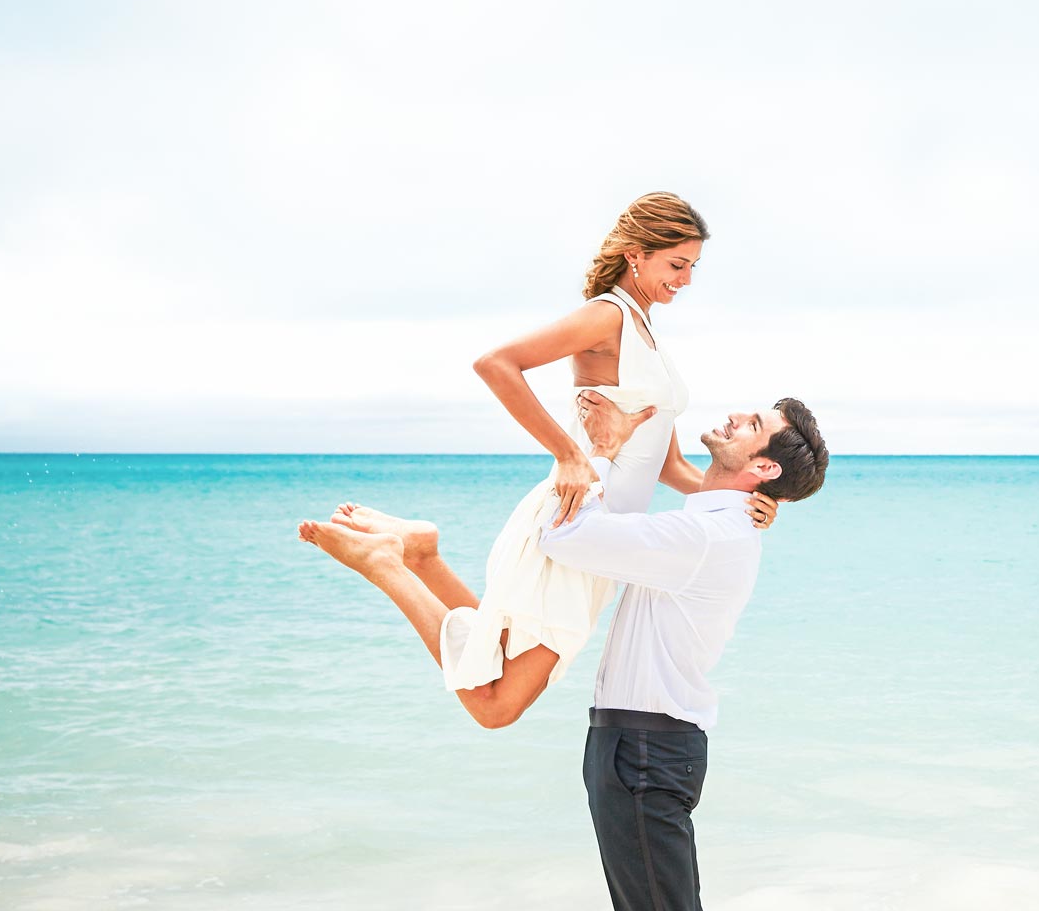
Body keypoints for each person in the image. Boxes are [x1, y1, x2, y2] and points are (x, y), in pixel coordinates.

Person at [297, 391, 829, 911]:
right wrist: (633, 444)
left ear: (759, 468)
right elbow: (682, 480)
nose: (736, 412)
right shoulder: (718, 519)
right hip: (644, 748)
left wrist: (602, 453)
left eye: (754, 425)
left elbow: (564, 535)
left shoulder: (706, 535)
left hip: (645, 755)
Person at [315, 191, 776, 730]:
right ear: (636, 254)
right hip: (573, 516)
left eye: (693, 267)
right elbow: (496, 364)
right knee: (496, 704)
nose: (686, 280)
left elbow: (670, 468)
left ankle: (423, 554)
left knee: (502, 653)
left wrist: (745, 504)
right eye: (677, 265)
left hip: (604, 539)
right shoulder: (608, 316)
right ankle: (389, 564)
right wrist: (567, 454)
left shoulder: (649, 334)